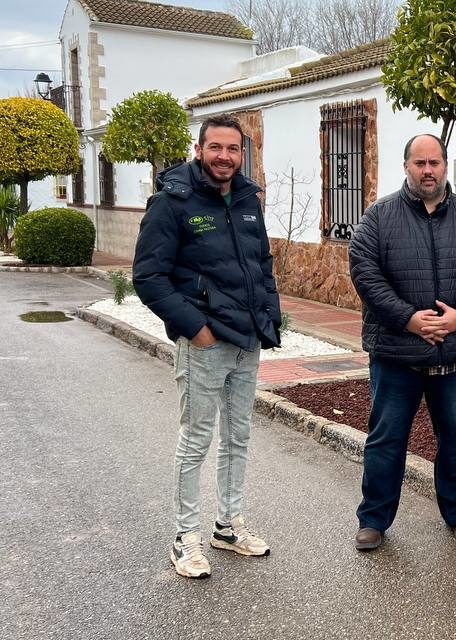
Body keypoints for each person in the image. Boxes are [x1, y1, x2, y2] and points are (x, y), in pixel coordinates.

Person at [133, 114, 282, 579]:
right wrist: (195, 328)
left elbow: (262, 265)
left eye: (233, 149)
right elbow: (149, 278)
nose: (224, 157)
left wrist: (269, 316)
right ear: (199, 150)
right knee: (196, 439)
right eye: (215, 147)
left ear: (242, 153)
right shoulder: (171, 203)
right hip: (204, 344)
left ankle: (228, 526)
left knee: (238, 437)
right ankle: (184, 537)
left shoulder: (248, 201)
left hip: (247, 340)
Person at [348, 133, 456, 551]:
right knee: (386, 439)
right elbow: (365, 273)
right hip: (397, 355)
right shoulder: (379, 217)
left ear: (444, 164)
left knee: (455, 437)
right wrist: (409, 320)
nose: (428, 170)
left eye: (434, 162)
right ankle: (374, 519)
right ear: (406, 167)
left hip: (454, 355)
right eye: (420, 163)